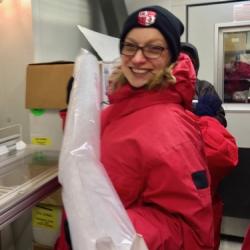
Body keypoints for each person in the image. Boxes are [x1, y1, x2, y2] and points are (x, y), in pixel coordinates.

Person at [101, 5, 214, 250]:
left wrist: (112, 230)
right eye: (130, 46)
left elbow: (191, 231)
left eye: (154, 49)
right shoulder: (118, 109)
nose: (138, 58)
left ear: (172, 58)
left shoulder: (172, 130)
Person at [180, 42, 227, 127]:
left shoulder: (205, 88)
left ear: (195, 66)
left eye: (189, 62)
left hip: (200, 137)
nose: (185, 66)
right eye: (180, 62)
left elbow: (222, 120)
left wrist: (204, 119)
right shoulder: (166, 89)